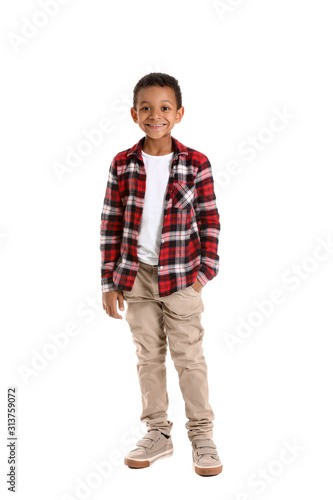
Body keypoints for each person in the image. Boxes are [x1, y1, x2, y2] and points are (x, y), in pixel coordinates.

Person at [100, 72, 222, 476]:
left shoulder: (195, 163)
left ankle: (202, 437)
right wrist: (109, 281)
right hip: (135, 277)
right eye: (147, 108)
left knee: (189, 358)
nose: (156, 115)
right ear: (135, 114)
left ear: (179, 113)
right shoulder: (123, 163)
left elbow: (209, 220)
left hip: (183, 277)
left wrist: (204, 273)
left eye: (165, 107)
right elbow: (111, 223)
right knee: (147, 357)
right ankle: (158, 433)